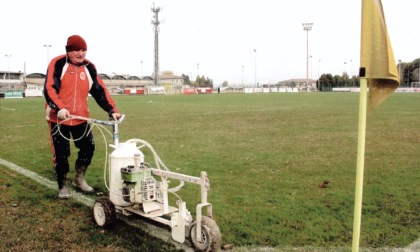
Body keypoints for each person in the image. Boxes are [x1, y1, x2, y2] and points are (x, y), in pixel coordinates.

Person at [44, 35, 121, 199]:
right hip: (58, 118)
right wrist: (60, 108)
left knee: (88, 147)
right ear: (68, 51)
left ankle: (79, 179)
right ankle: (62, 185)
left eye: (83, 50)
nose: (81, 53)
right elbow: (50, 89)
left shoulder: (89, 67)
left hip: (80, 117)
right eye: (77, 50)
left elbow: (100, 91)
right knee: (61, 153)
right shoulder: (58, 63)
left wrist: (112, 110)